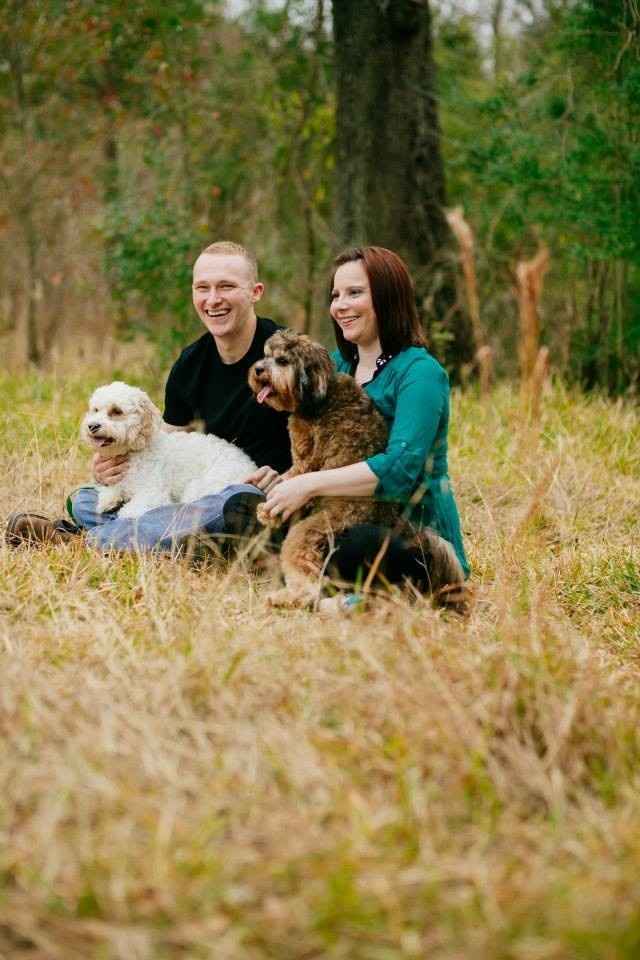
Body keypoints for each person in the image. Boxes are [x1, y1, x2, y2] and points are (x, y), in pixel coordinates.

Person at [5, 241, 291, 552]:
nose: (212, 299)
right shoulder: (190, 363)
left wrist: (288, 478)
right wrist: (109, 464)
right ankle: (148, 535)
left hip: (263, 499)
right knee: (85, 498)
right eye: (202, 288)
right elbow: (162, 445)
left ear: (255, 292)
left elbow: (322, 446)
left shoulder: (289, 356)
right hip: (192, 492)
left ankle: (84, 541)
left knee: (229, 503)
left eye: (226, 286)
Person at [261, 245, 469, 608]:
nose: (340, 305)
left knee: (358, 546)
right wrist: (286, 481)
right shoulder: (337, 366)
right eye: (335, 295)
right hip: (337, 517)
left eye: (354, 293)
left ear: (388, 298)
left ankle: (362, 599)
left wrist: (308, 485)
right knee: (257, 516)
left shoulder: (420, 374)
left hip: (408, 534)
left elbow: (400, 470)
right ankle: (331, 594)